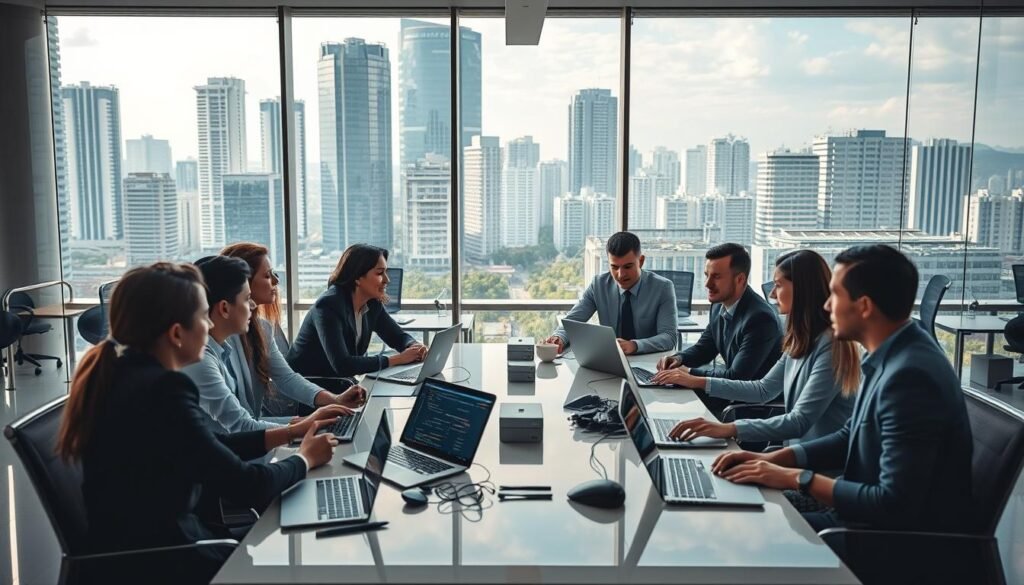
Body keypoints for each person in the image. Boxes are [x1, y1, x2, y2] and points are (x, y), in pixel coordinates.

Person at [55, 263, 340, 583]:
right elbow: (248, 485)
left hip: (136, 551)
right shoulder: (163, 390)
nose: (209, 325)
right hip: (164, 561)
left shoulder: (125, 375)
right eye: (204, 316)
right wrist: (306, 459)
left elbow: (205, 444)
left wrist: (290, 433)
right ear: (177, 333)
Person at [711, 245, 974, 533]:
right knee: (732, 505)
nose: (825, 305)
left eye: (834, 295)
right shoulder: (893, 354)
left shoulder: (910, 376)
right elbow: (850, 435)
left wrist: (797, 478)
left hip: (879, 539)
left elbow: (893, 504)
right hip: (857, 512)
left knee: (739, 526)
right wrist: (770, 459)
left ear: (863, 306)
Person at [664, 250, 859, 448]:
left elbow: (799, 421)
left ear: (802, 289)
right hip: (795, 452)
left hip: (821, 464)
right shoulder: (801, 338)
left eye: (779, 285)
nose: (773, 294)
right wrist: (696, 380)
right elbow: (763, 389)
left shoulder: (831, 346)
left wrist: (729, 428)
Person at [182, 256, 352, 433]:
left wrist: (317, 415)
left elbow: (250, 417)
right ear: (224, 308)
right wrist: (306, 426)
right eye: (247, 298)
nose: (253, 304)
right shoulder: (202, 360)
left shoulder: (225, 345)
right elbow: (241, 426)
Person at [221, 242, 366, 417]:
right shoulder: (223, 339)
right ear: (244, 283)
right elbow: (239, 425)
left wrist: (335, 400)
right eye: (267, 276)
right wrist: (304, 425)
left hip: (254, 431)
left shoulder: (264, 329)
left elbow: (286, 378)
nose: (276, 281)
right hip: (244, 436)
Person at [652, 243, 782, 416]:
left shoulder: (760, 319)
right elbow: (705, 348)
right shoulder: (718, 305)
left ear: (740, 279)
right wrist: (678, 358)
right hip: (725, 395)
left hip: (749, 408)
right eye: (707, 275)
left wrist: (688, 373)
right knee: (657, 399)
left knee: (669, 408)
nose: (707, 284)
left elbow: (736, 377)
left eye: (716, 277)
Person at [288, 244, 427, 382]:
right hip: (309, 387)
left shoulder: (372, 303)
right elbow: (342, 365)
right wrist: (397, 359)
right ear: (357, 277)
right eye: (379, 273)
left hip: (340, 383)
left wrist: (414, 347)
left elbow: (397, 336)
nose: (387, 280)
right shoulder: (328, 306)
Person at [544, 231, 678, 355]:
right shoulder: (598, 285)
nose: (621, 275)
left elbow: (669, 337)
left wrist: (634, 345)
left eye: (627, 266)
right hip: (611, 360)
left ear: (641, 261)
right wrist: (559, 337)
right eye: (614, 267)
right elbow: (573, 320)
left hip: (650, 360)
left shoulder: (663, 288)